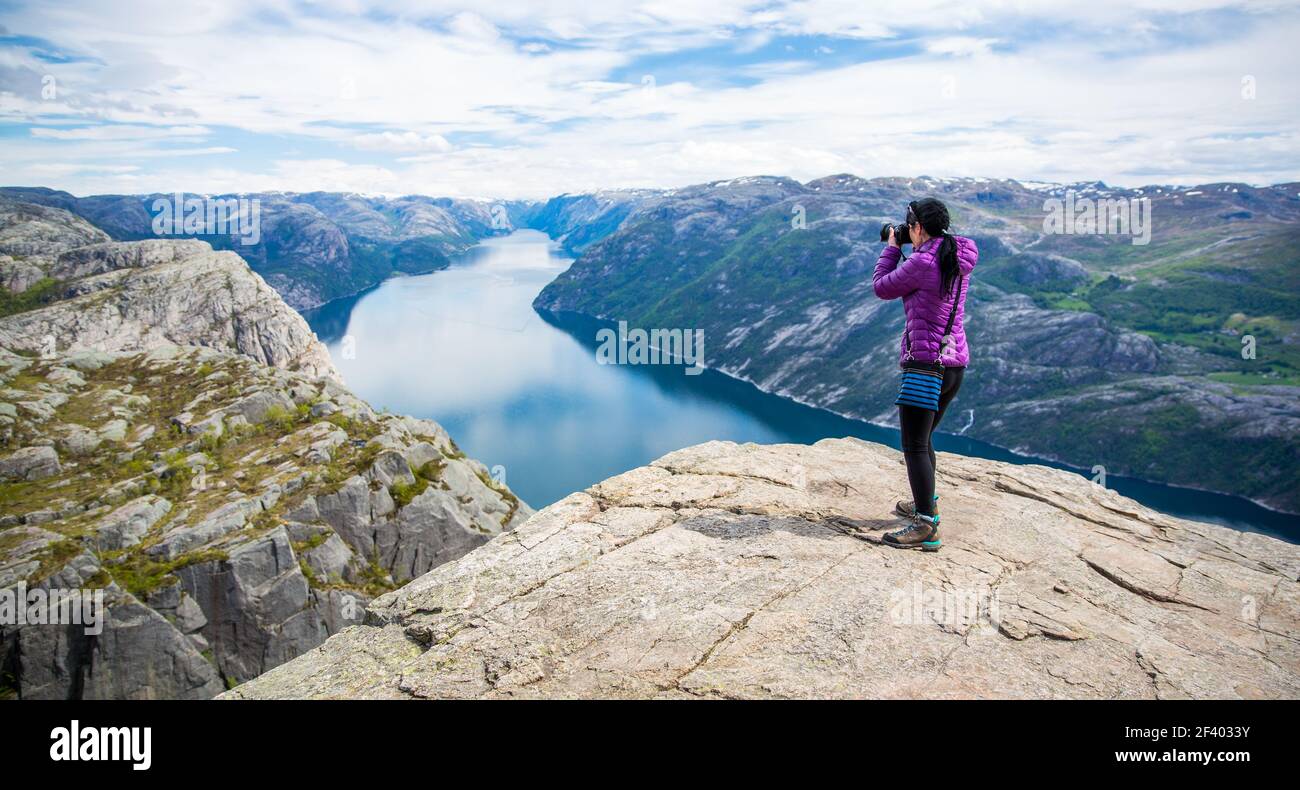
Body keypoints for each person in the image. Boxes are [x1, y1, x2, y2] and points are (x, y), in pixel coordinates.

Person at [872, 198, 978, 550]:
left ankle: (926, 525)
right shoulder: (957, 255)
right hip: (953, 366)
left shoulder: (922, 261)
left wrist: (891, 247)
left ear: (917, 227)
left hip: (924, 367)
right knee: (925, 438)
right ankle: (926, 504)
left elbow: (882, 286)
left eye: (909, 227)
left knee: (914, 444)